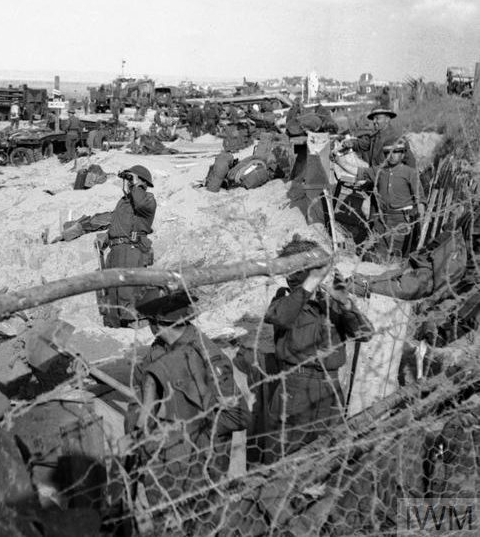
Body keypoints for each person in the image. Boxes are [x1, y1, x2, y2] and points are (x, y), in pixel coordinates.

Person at [125, 289, 250, 530]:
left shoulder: (208, 357)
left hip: (201, 463)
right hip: (162, 461)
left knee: (202, 526)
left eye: (149, 322)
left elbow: (237, 416)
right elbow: (141, 390)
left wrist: (187, 429)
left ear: (157, 323)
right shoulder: (159, 348)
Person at [264, 237, 373, 461]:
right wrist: (310, 282)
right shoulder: (285, 299)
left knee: (330, 456)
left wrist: (346, 305)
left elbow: (365, 334)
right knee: (286, 458)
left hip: (329, 388)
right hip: (295, 387)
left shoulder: (331, 301)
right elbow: (279, 317)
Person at [104, 165, 157, 327]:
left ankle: (136, 325)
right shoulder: (124, 202)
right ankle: (116, 325)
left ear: (142, 183)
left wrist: (138, 185)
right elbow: (118, 224)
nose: (128, 183)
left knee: (130, 291)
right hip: (116, 251)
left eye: (131, 179)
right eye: (127, 180)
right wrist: (106, 239)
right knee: (112, 292)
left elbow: (140, 205)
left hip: (132, 250)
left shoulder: (148, 199)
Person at [357, 136, 425, 259]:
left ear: (403, 154)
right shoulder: (380, 171)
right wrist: (337, 159)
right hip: (383, 220)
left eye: (396, 152)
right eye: (388, 153)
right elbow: (358, 172)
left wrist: (419, 221)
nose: (391, 155)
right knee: (377, 256)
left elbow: (420, 199)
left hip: (402, 220)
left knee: (398, 255)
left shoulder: (410, 173)